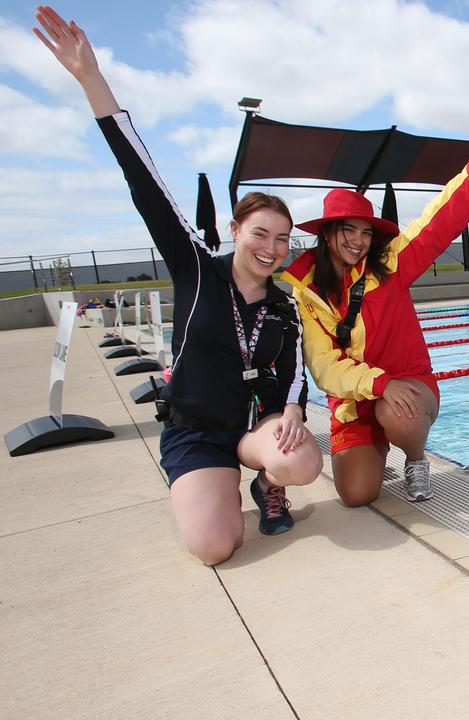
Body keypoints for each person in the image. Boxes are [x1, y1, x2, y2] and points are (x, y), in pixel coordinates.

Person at [34, 5, 322, 565]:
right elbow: (144, 180)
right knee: (216, 546)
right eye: (261, 234)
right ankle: (215, 491)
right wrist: (94, 81)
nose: (271, 248)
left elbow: (292, 374)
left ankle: (267, 484)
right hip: (197, 429)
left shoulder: (283, 308)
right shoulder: (196, 267)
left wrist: (292, 412)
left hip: (254, 427)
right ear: (235, 231)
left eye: (283, 239)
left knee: (301, 461)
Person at [283, 138, 469, 505]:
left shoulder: (391, 265)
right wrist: (378, 383)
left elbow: (436, 225)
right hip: (355, 402)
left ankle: (415, 459)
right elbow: (323, 367)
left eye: (366, 232)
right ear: (327, 233)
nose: (358, 241)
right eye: (348, 230)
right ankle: (375, 448)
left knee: (400, 415)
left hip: (408, 387)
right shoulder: (308, 293)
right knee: (357, 495)